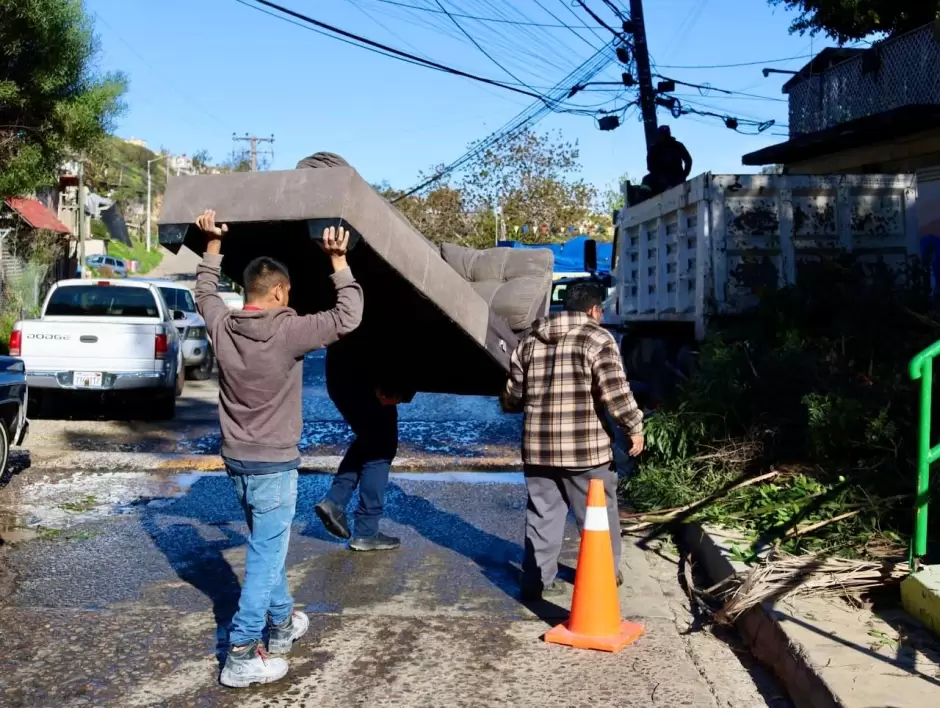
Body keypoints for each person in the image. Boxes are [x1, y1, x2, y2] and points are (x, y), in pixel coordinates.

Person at [194, 209, 363, 688]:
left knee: (267, 547)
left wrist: (211, 245)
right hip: (274, 464)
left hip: (237, 461)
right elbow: (349, 316)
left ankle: (284, 625)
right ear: (280, 293)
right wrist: (338, 260)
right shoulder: (288, 331)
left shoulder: (223, 327)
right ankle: (243, 651)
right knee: (265, 557)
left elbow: (204, 293)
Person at [295, 151, 416, 552]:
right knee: (381, 447)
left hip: (341, 371)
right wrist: (397, 383)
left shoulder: (321, 255)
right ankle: (364, 530)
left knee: (370, 438)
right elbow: (387, 330)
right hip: (372, 374)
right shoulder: (375, 263)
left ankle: (336, 503)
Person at [501, 281, 644, 600]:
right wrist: (633, 425)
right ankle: (602, 575)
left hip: (538, 450)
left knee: (542, 514)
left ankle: (538, 582)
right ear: (594, 310)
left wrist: (510, 403)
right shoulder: (597, 337)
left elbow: (514, 392)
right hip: (586, 453)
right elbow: (615, 392)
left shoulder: (530, 341)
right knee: (597, 515)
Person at [646, 125, 693, 193]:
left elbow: (688, 161)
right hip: (662, 182)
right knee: (647, 180)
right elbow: (650, 167)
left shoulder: (677, 145)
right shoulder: (654, 149)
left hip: (677, 179)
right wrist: (659, 178)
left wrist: (684, 175)